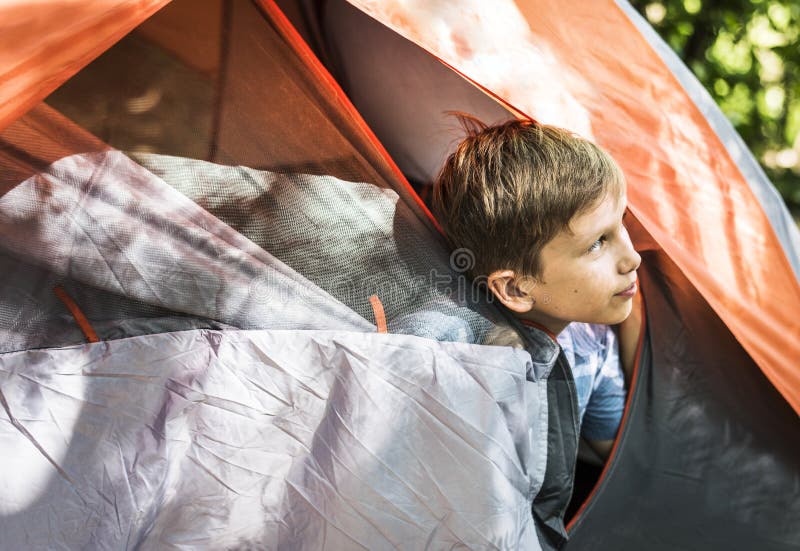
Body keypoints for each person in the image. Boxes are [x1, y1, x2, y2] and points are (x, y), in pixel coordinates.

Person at [431, 116, 643, 460]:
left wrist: (636, 332)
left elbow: (616, 458)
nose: (632, 258)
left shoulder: (592, 343)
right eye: (596, 244)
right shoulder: (451, 353)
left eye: (622, 224)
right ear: (515, 289)